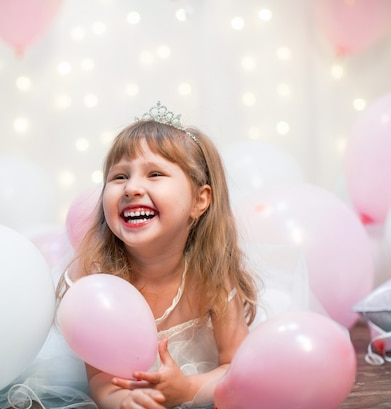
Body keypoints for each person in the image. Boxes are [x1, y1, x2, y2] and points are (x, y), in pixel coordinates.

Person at [56, 101, 259, 409]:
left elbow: (236, 368)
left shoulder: (211, 277)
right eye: (119, 177)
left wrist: (188, 388)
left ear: (199, 201)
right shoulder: (96, 282)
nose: (132, 188)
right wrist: (123, 399)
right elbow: (100, 379)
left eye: (154, 174)